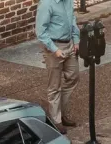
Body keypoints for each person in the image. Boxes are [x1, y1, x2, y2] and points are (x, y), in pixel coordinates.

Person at [36, 0, 81, 133]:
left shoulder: (68, 1)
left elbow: (72, 19)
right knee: (54, 86)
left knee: (73, 77)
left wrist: (76, 39)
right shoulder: (46, 4)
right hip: (54, 47)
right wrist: (54, 49)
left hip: (69, 44)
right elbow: (40, 32)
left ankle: (60, 111)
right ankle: (56, 120)